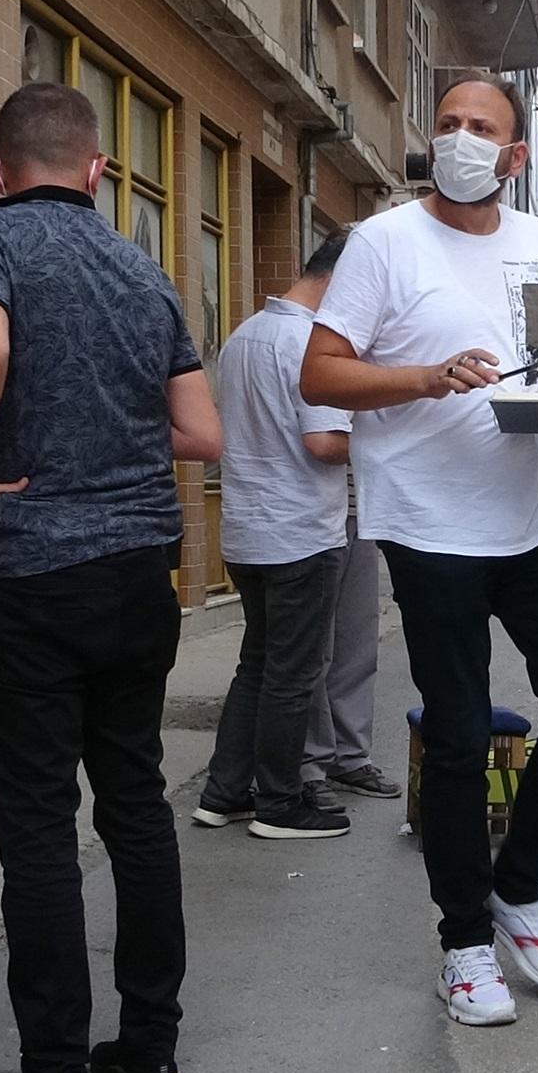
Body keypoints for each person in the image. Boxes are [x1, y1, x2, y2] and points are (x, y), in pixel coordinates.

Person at [0, 81, 219, 1073]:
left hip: (34, 572)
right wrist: (107, 422)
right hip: (142, 568)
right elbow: (199, 430)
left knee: (37, 818)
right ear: (97, 171)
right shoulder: (147, 269)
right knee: (133, 800)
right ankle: (150, 1044)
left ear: (1, 169)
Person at [301, 75, 538, 1028]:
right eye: (446, 124)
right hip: (428, 522)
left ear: (515, 156)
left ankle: (517, 885)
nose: (459, 139)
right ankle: (463, 944)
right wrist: (424, 377)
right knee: (455, 737)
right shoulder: (383, 244)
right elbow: (319, 370)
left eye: (480, 128)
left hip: (535, 514)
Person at [198, 230, 357, 841]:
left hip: (246, 530)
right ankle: (280, 804)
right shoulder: (309, 344)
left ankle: (224, 792)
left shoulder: (246, 335)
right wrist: (375, 435)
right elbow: (323, 443)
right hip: (300, 532)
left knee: (257, 667)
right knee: (292, 674)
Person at [301, 507, 399, 801]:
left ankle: (349, 757)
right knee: (314, 646)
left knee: (357, 638)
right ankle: (308, 765)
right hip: (314, 510)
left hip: (363, 508)